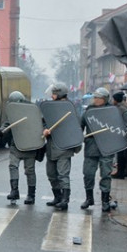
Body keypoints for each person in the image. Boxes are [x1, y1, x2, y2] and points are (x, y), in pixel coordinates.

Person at [41, 82, 81, 210]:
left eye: (54, 93)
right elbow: (44, 121)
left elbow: (75, 127)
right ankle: (57, 197)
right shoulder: (51, 107)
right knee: (51, 174)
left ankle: (65, 199)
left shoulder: (69, 108)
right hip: (51, 146)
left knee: (63, 174)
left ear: (59, 94)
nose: (52, 96)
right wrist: (45, 130)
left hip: (64, 147)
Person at [0, 91, 39, 205]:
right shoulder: (13, 113)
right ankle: (14, 191)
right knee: (13, 166)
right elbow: (7, 123)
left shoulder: (32, 111)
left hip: (29, 145)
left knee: (29, 171)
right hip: (16, 145)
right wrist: (2, 130)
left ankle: (31, 195)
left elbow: (39, 124)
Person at [79, 87, 113, 212]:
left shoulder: (112, 111)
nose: (95, 100)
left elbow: (118, 128)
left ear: (104, 99)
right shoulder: (89, 111)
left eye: (98, 98)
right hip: (91, 146)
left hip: (106, 147)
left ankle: (105, 200)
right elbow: (80, 126)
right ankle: (89, 198)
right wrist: (79, 136)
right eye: (95, 97)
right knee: (88, 174)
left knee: (105, 175)